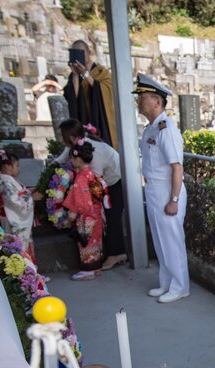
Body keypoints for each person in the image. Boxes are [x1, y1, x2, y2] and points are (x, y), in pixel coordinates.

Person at [133, 74, 189, 303]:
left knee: (172, 240)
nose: (138, 101)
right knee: (160, 239)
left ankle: (180, 286)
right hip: (155, 190)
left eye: (142, 97)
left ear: (157, 101)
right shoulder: (152, 128)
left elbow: (177, 168)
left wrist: (174, 199)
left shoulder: (166, 130)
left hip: (167, 190)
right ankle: (166, 283)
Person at [53, 119, 126, 270]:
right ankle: (111, 252)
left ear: (72, 137)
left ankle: (116, 254)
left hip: (114, 181)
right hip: (101, 183)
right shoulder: (76, 145)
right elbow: (61, 159)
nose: (61, 139)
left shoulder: (93, 151)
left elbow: (93, 180)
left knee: (112, 218)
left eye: (62, 136)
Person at [63, 140, 108, 281]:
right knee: (96, 241)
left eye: (71, 157)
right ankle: (96, 268)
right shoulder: (91, 174)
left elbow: (81, 199)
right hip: (97, 213)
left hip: (87, 215)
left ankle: (88, 270)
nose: (70, 160)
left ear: (77, 159)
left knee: (86, 243)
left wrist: (73, 212)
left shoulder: (82, 177)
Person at [63, 41, 117, 148]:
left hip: (99, 118)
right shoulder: (73, 75)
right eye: (75, 52)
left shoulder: (101, 72)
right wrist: (75, 75)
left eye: (81, 52)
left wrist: (85, 74)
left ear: (89, 53)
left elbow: (106, 90)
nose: (79, 55)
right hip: (83, 118)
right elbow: (74, 98)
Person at [0, 149, 42, 259]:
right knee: (19, 247)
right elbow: (14, 200)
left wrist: (30, 192)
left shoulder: (8, 180)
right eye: (17, 166)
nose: (18, 169)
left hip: (15, 217)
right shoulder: (5, 182)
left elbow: (19, 194)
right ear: (7, 167)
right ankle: (27, 273)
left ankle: (31, 272)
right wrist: (31, 198)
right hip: (12, 219)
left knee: (23, 246)